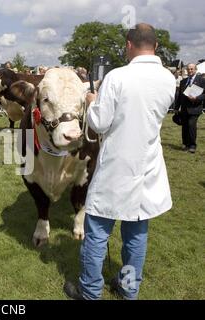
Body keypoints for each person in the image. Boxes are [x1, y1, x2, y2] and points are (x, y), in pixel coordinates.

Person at [63, 23, 176, 300]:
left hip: (115, 167)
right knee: (136, 234)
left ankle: (90, 292)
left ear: (128, 45)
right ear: (156, 46)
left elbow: (100, 123)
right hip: (147, 165)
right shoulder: (168, 78)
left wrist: (92, 101)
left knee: (97, 234)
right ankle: (128, 289)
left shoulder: (117, 77)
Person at [174, 63, 204, 154]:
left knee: (191, 125)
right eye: (188, 69)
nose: (190, 71)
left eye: (192, 69)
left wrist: (197, 98)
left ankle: (192, 146)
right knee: (185, 126)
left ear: (196, 70)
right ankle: (185, 144)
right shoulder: (183, 81)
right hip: (184, 108)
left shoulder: (202, 80)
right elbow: (179, 97)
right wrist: (176, 107)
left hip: (195, 108)